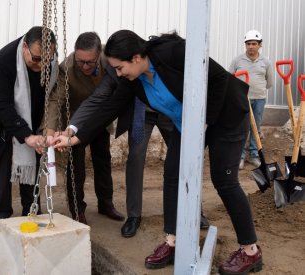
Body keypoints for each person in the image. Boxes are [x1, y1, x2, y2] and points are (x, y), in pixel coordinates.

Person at [53, 30, 263, 274]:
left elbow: (218, 79)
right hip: (187, 124)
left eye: (120, 68)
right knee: (172, 175)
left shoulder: (173, 53)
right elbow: (108, 106)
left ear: (136, 57)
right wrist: (75, 137)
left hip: (225, 115)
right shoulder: (134, 81)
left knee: (224, 181)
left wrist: (204, 124)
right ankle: (173, 241)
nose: (118, 74)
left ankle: (250, 251)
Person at [0, 26, 58, 237]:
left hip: (33, 116)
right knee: (3, 169)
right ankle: (1, 215)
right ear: (24, 48)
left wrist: (37, 130)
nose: (41, 66)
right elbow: (2, 103)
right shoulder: (4, 59)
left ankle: (31, 210)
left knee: (32, 163)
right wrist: (25, 134)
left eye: (46, 61)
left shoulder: (50, 60)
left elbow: (53, 95)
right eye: (36, 59)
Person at [46, 32, 124, 224]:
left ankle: (106, 204)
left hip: (100, 120)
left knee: (103, 161)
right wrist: (50, 130)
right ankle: (77, 209)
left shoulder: (110, 57)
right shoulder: (66, 68)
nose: (85, 66)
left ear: (99, 55)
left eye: (90, 62)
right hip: (75, 121)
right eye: (81, 62)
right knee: (76, 168)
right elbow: (56, 100)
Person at [228, 30, 273, 170]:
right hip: (242, 99)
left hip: (259, 99)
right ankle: (240, 156)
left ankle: (254, 155)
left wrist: (257, 89)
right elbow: (230, 79)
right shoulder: (237, 60)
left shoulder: (265, 62)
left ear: (260, 45)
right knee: (241, 127)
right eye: (248, 44)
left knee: (255, 127)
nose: (251, 46)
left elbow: (269, 82)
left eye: (254, 44)